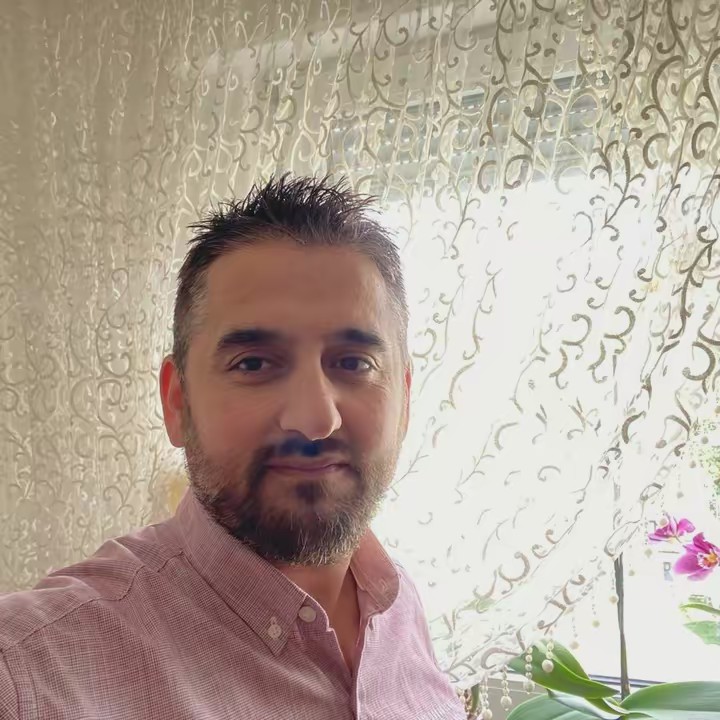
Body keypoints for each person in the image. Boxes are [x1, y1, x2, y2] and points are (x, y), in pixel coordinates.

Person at [0, 175, 465, 719]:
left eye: (354, 363)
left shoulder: (398, 604)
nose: (315, 420)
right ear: (178, 403)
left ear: (404, 400)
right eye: (254, 363)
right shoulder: (29, 674)